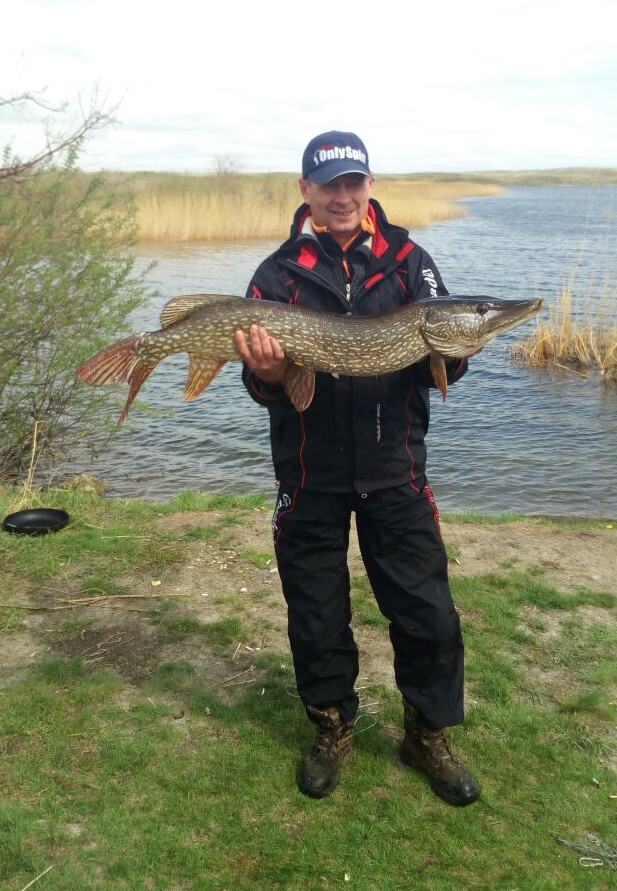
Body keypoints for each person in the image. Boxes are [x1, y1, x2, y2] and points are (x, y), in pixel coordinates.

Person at [233, 130, 480, 806]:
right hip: (308, 473)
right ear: (306, 191)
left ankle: (426, 733)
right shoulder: (277, 275)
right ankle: (332, 727)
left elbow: (440, 362)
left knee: (428, 613)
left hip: (394, 471)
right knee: (316, 614)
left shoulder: (410, 263)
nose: (342, 197)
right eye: (328, 185)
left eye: (353, 183)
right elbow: (259, 387)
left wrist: (460, 348)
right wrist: (270, 373)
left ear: (369, 186)